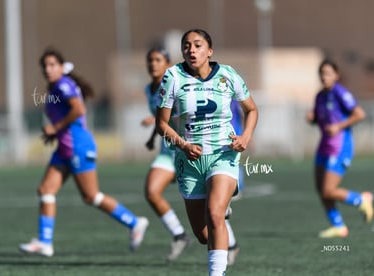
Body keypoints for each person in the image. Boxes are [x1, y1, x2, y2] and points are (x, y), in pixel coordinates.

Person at [19, 48, 149, 257]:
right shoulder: (55, 88)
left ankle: (134, 222)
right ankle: (44, 242)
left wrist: (55, 127)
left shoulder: (63, 84)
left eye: (52, 65)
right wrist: (55, 133)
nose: (48, 69)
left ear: (62, 67)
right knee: (46, 190)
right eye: (44, 66)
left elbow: (79, 109)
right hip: (64, 147)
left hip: (78, 146)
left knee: (91, 196)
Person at [155, 29, 258, 276]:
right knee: (203, 235)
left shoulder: (228, 75)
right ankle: (222, 209)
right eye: (186, 46)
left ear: (210, 51)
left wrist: (245, 137)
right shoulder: (173, 77)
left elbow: (251, 110)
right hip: (189, 160)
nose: (191, 50)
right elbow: (162, 124)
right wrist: (183, 145)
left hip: (223, 154)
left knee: (214, 215)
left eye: (198, 45)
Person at [306, 59, 374, 238]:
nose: (324, 76)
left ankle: (361, 199)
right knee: (321, 189)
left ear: (336, 75)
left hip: (340, 146)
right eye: (322, 73)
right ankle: (339, 226)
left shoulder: (341, 93)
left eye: (328, 73)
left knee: (329, 190)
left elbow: (360, 114)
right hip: (324, 146)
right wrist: (312, 118)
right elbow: (320, 120)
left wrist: (339, 126)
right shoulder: (320, 96)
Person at [141, 46, 191, 261]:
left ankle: (230, 244)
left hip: (186, 148)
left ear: (167, 63)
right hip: (166, 151)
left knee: (207, 204)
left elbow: (180, 114)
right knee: (151, 191)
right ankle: (179, 234)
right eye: (150, 60)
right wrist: (153, 137)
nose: (153, 64)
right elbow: (160, 116)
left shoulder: (175, 83)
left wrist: (155, 121)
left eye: (158, 60)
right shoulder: (148, 89)